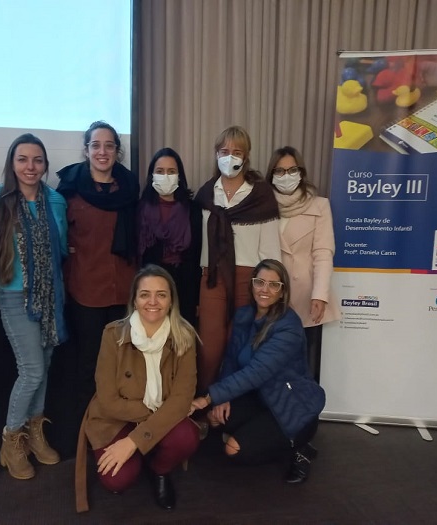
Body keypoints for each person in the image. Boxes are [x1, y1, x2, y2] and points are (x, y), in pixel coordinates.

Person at [74, 265, 200, 513]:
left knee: (186, 438)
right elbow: (108, 400)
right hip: (116, 418)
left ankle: (159, 470)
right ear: (134, 298)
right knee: (116, 481)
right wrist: (150, 424)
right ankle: (144, 452)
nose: (153, 302)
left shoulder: (184, 336)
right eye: (145, 294)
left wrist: (134, 441)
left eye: (161, 294)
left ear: (171, 300)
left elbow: (183, 397)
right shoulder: (113, 334)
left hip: (158, 416)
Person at [0, 133, 68, 480]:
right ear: (12, 163)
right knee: (31, 370)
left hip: (50, 296)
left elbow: (62, 247)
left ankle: (34, 434)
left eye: (37, 160)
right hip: (14, 296)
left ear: (45, 165)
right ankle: (11, 440)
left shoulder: (56, 201)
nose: (30, 167)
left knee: (43, 367)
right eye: (22, 159)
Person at [190, 259, 325, 484]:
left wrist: (207, 399)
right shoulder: (244, 315)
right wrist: (224, 397)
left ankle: (298, 448)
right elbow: (231, 360)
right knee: (215, 419)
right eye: (260, 282)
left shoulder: (288, 327)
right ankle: (273, 437)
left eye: (274, 285)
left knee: (233, 450)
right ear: (252, 285)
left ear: (282, 292)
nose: (265, 289)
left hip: (292, 407)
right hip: (260, 398)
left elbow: (255, 372)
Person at [56, 121, 139, 437]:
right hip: (85, 292)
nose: (102, 151)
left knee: (123, 364)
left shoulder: (130, 189)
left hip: (124, 291)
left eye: (109, 145)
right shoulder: (68, 190)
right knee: (89, 365)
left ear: (117, 150)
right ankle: (86, 431)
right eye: (96, 145)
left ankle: (119, 427)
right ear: (86, 149)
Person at [194, 125, 280, 396]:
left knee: (240, 345)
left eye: (237, 152)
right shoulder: (206, 194)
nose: (229, 157)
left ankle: (233, 406)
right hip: (212, 277)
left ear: (246, 156)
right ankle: (205, 401)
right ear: (216, 154)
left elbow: (270, 250)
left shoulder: (261, 195)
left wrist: (268, 287)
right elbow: (198, 244)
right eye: (224, 151)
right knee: (210, 346)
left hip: (250, 279)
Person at [265, 146, 339, 382]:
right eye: (280, 171)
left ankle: (304, 412)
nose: (286, 176)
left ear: (301, 172)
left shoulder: (319, 205)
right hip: (272, 295)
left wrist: (320, 295)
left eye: (291, 169)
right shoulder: (262, 205)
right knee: (272, 361)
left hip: (307, 296)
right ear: (272, 175)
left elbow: (323, 253)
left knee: (303, 364)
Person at [137, 147, 202, 327]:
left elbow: (197, 256)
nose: (165, 176)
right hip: (150, 289)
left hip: (185, 288)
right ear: (151, 175)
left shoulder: (193, 210)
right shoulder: (139, 209)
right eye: (160, 171)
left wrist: (197, 299)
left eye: (171, 171)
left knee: (182, 343)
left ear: (179, 176)